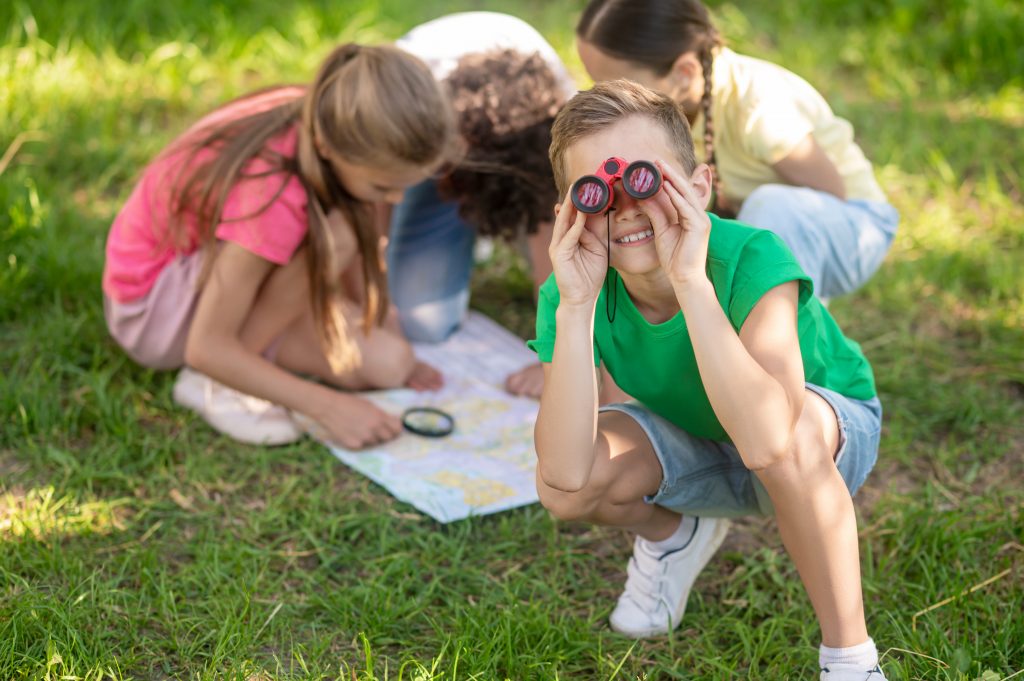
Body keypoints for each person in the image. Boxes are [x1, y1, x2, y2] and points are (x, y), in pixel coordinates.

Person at [530, 80, 888, 680]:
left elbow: (771, 438)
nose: (624, 208)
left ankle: (850, 657)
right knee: (567, 484)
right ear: (569, 213)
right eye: (596, 195)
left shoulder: (750, 258)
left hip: (820, 440)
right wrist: (573, 309)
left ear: (698, 188)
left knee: (789, 437)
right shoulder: (571, 294)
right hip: (701, 438)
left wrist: (691, 278)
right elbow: (565, 477)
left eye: (646, 182)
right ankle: (677, 535)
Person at [102, 44, 455, 450]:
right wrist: (327, 407)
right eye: (382, 187)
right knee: (337, 239)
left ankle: (240, 358)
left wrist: (386, 326)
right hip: (152, 310)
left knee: (391, 363)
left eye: (403, 187)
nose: (393, 200)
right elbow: (206, 346)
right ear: (327, 147)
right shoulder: (271, 195)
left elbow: (365, 235)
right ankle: (212, 384)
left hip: (205, 274)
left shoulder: (334, 112)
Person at [575, 0, 899, 300]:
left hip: (852, 228)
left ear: (684, 73)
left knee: (771, 206)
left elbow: (833, 191)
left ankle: (798, 331)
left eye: (621, 84)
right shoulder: (668, 110)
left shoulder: (757, 105)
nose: (613, 98)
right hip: (763, 228)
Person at [390, 12, 577, 398]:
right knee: (414, 325)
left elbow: (553, 238)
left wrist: (555, 356)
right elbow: (372, 206)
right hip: (406, 145)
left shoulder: (548, 120)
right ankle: (461, 228)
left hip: (508, 153)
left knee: (426, 324)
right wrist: (377, 315)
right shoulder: (404, 98)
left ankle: (478, 224)